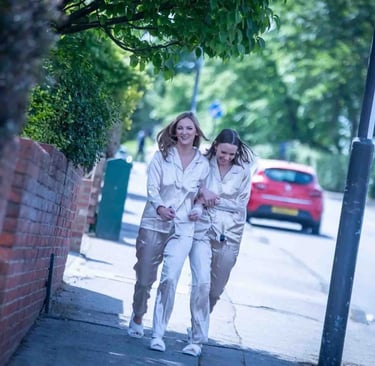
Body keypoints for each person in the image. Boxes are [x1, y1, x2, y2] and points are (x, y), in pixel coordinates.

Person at [127, 112, 210, 340]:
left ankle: (158, 331)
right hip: (154, 223)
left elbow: (202, 195)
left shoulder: (203, 164)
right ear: (174, 131)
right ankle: (137, 314)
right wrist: (160, 207)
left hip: (182, 227)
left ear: (196, 133)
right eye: (180, 128)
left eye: (189, 129)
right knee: (144, 279)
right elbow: (152, 188)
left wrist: (198, 208)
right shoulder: (161, 157)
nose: (184, 132)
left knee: (169, 278)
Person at [183, 128, 257, 356]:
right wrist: (201, 196)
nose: (226, 157)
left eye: (231, 154)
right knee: (202, 283)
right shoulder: (203, 164)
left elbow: (241, 203)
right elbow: (191, 191)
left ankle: (202, 317)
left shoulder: (243, 171)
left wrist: (210, 197)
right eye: (223, 152)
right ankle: (196, 338)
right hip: (202, 229)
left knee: (215, 290)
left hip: (230, 235)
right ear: (216, 146)